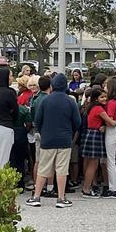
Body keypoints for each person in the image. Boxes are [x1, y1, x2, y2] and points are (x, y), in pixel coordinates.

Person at [25, 72, 80, 208]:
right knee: (62, 169)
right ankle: (61, 198)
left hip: (47, 139)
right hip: (65, 139)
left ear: (53, 85)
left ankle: (36, 196)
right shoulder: (70, 101)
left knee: (43, 168)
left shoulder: (45, 100)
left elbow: (37, 121)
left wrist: (44, 132)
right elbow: (77, 122)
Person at [80, 86, 116, 198]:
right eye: (102, 97)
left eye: (105, 96)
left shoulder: (91, 107)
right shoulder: (100, 109)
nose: (105, 98)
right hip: (95, 135)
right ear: (96, 99)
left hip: (90, 134)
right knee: (93, 164)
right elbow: (112, 122)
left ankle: (86, 187)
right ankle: (86, 189)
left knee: (90, 163)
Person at [101, 78, 116, 198]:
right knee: (111, 160)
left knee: (110, 161)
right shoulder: (115, 102)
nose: (104, 88)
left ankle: (113, 188)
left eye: (106, 86)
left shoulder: (110, 103)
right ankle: (113, 187)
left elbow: (109, 121)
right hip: (114, 130)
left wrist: (104, 124)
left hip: (111, 131)